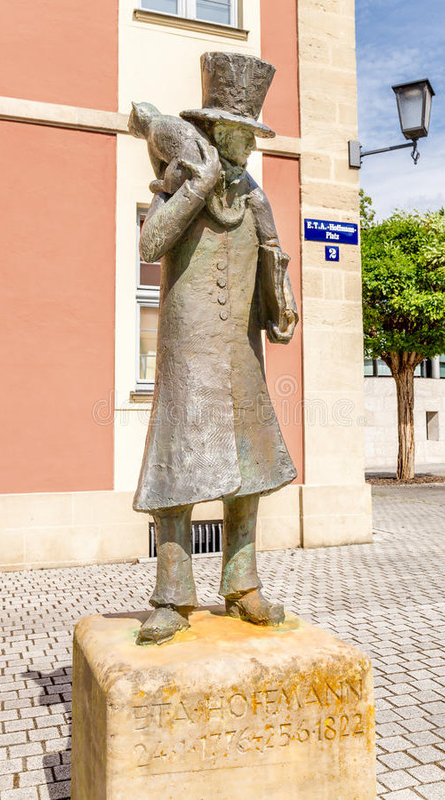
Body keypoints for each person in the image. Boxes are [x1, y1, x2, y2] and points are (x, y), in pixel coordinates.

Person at [133, 52, 298, 645]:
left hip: (240, 353)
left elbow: (273, 279)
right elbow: (150, 243)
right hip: (188, 351)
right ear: (213, 130)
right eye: (240, 133)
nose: (248, 145)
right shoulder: (184, 179)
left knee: (250, 472)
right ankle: (172, 596)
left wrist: (281, 299)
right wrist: (197, 186)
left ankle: (242, 583)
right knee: (175, 471)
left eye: (253, 135)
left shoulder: (255, 197)